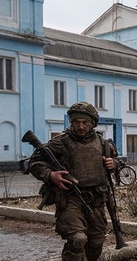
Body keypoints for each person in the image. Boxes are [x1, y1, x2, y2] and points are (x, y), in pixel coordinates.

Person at [28, 102, 117, 261]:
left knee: (96, 242)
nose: (81, 126)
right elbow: (34, 163)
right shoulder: (60, 142)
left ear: (93, 123)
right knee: (77, 240)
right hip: (70, 198)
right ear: (71, 123)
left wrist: (113, 164)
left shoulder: (103, 144)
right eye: (76, 122)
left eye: (85, 122)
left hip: (96, 199)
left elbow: (115, 161)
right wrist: (51, 175)